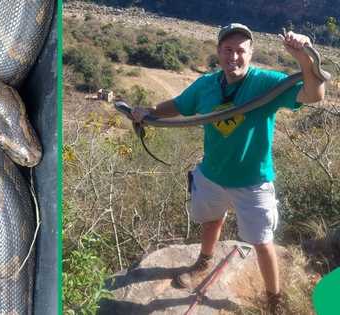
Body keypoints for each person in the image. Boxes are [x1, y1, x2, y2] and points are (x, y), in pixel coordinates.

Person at [131, 23, 326, 314]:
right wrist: (150, 111)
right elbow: (179, 105)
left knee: (262, 242)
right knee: (211, 222)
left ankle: (274, 299)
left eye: (240, 50)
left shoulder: (265, 83)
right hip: (212, 175)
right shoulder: (207, 85)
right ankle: (204, 261)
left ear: (251, 53)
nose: (234, 56)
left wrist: (304, 58)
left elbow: (314, 94)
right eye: (228, 50)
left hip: (253, 181)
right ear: (219, 52)